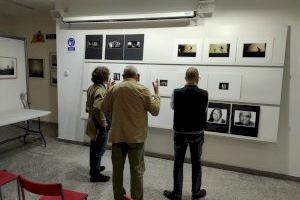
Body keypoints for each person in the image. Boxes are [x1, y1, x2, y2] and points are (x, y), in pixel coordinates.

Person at [102, 65, 160, 200]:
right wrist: (157, 94)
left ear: (123, 77)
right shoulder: (142, 89)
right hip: (136, 138)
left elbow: (105, 108)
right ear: (137, 76)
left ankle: (119, 197)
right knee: (137, 171)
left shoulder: (114, 89)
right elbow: (155, 111)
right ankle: (136, 199)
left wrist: (109, 91)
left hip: (118, 137)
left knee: (117, 171)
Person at [164, 67, 208, 200]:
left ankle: (177, 193)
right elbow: (204, 110)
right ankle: (196, 192)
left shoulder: (176, 92)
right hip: (197, 133)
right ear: (198, 78)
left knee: (178, 162)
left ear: (185, 78)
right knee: (196, 162)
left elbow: (173, 107)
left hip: (180, 133)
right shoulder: (205, 93)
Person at [86, 66, 114, 183]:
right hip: (99, 125)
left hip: (92, 122)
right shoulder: (101, 90)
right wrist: (103, 123)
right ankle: (95, 175)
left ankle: (94, 167)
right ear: (105, 77)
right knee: (99, 150)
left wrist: (108, 90)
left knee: (94, 147)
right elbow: (98, 108)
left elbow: (88, 105)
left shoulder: (91, 88)